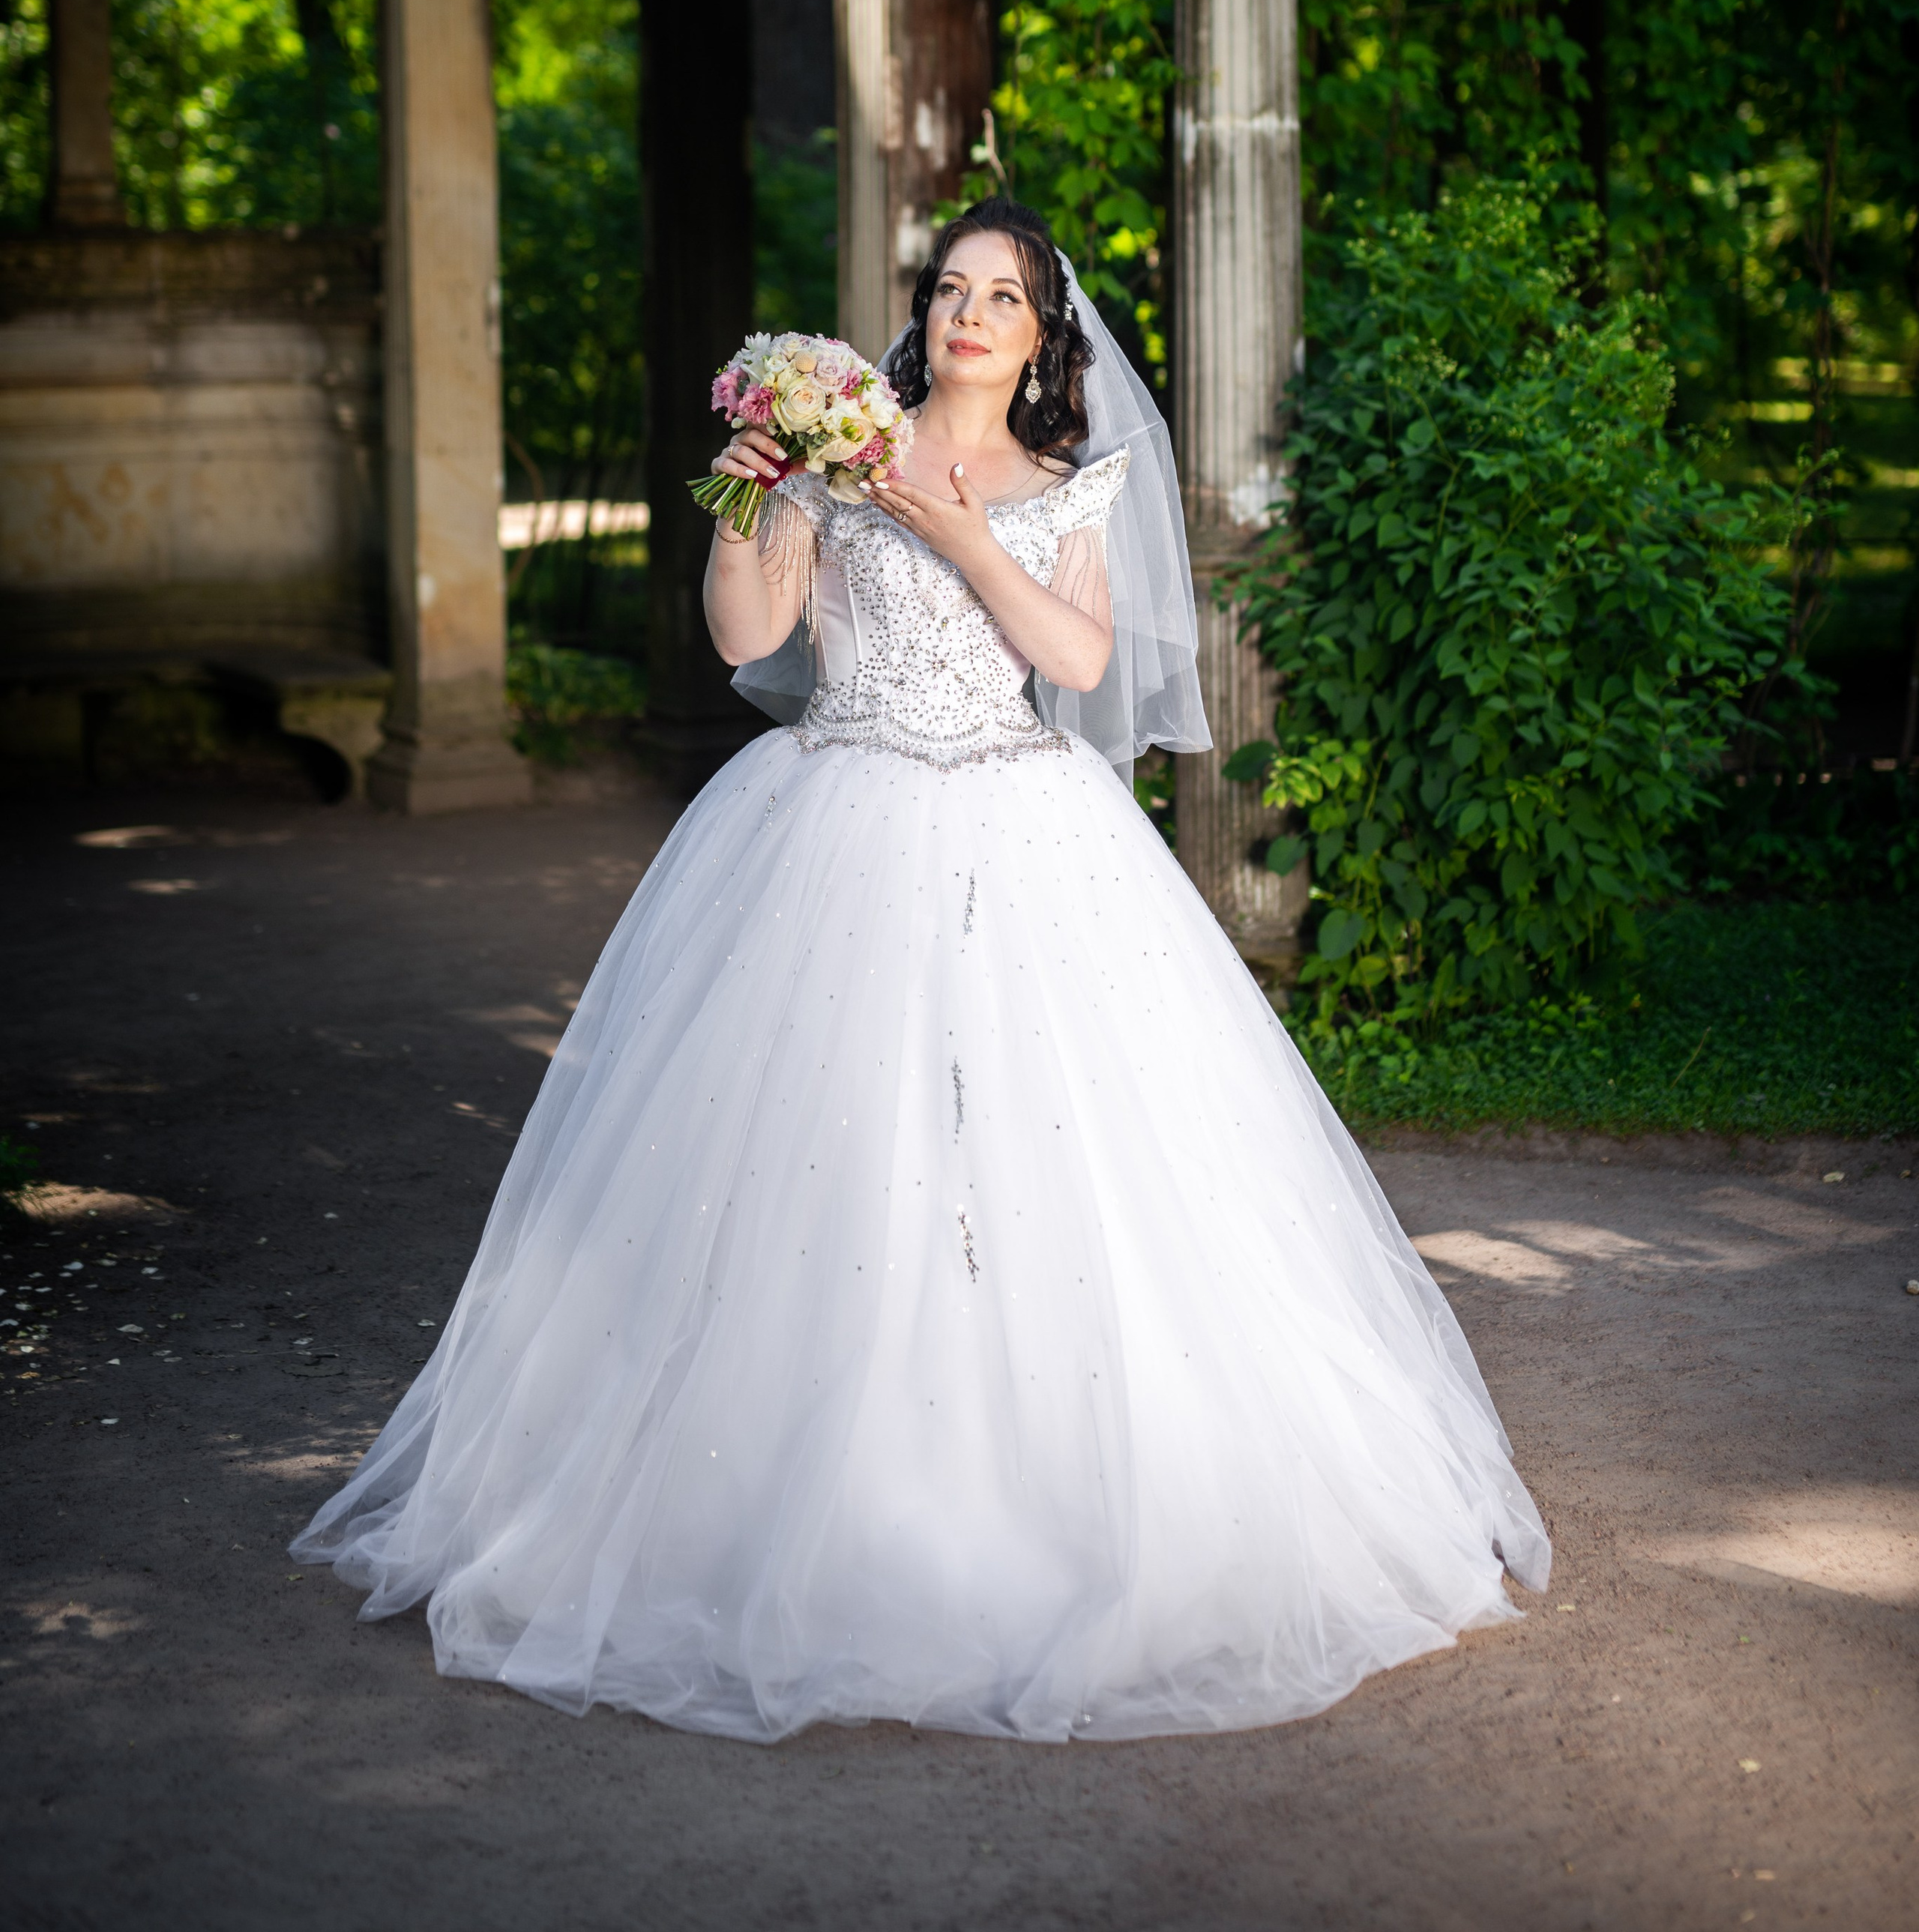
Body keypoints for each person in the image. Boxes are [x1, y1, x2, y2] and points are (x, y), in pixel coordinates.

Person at [292, 196, 1549, 1740]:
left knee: (1043, 1164)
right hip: (830, 812)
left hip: (1024, 827)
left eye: (999, 298)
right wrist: (747, 502)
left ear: (1038, 342)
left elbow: (1080, 665)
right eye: (949, 288)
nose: (964, 313)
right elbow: (743, 631)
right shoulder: (835, 451)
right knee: (821, 1159)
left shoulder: (1061, 483)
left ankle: (1029, 1481)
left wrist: (955, 525)